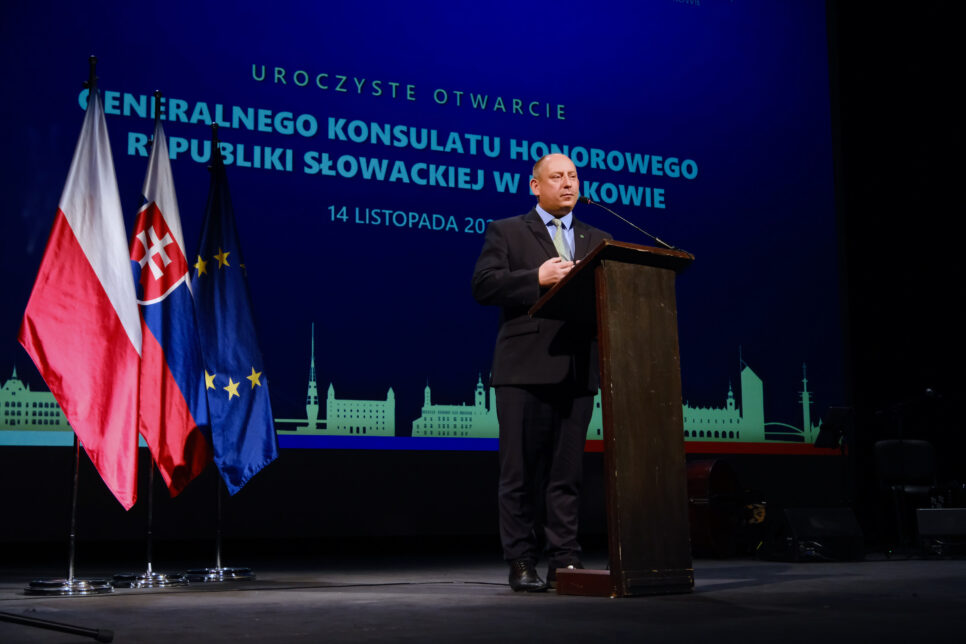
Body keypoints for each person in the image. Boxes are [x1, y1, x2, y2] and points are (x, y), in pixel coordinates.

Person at [472, 153, 611, 592]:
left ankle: (565, 559)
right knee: (520, 473)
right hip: (524, 369)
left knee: (566, 474)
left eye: (573, 176)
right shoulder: (508, 231)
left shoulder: (599, 238)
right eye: (557, 177)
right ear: (535, 185)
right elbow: (484, 285)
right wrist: (537, 276)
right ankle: (521, 560)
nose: (568, 184)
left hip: (577, 369)